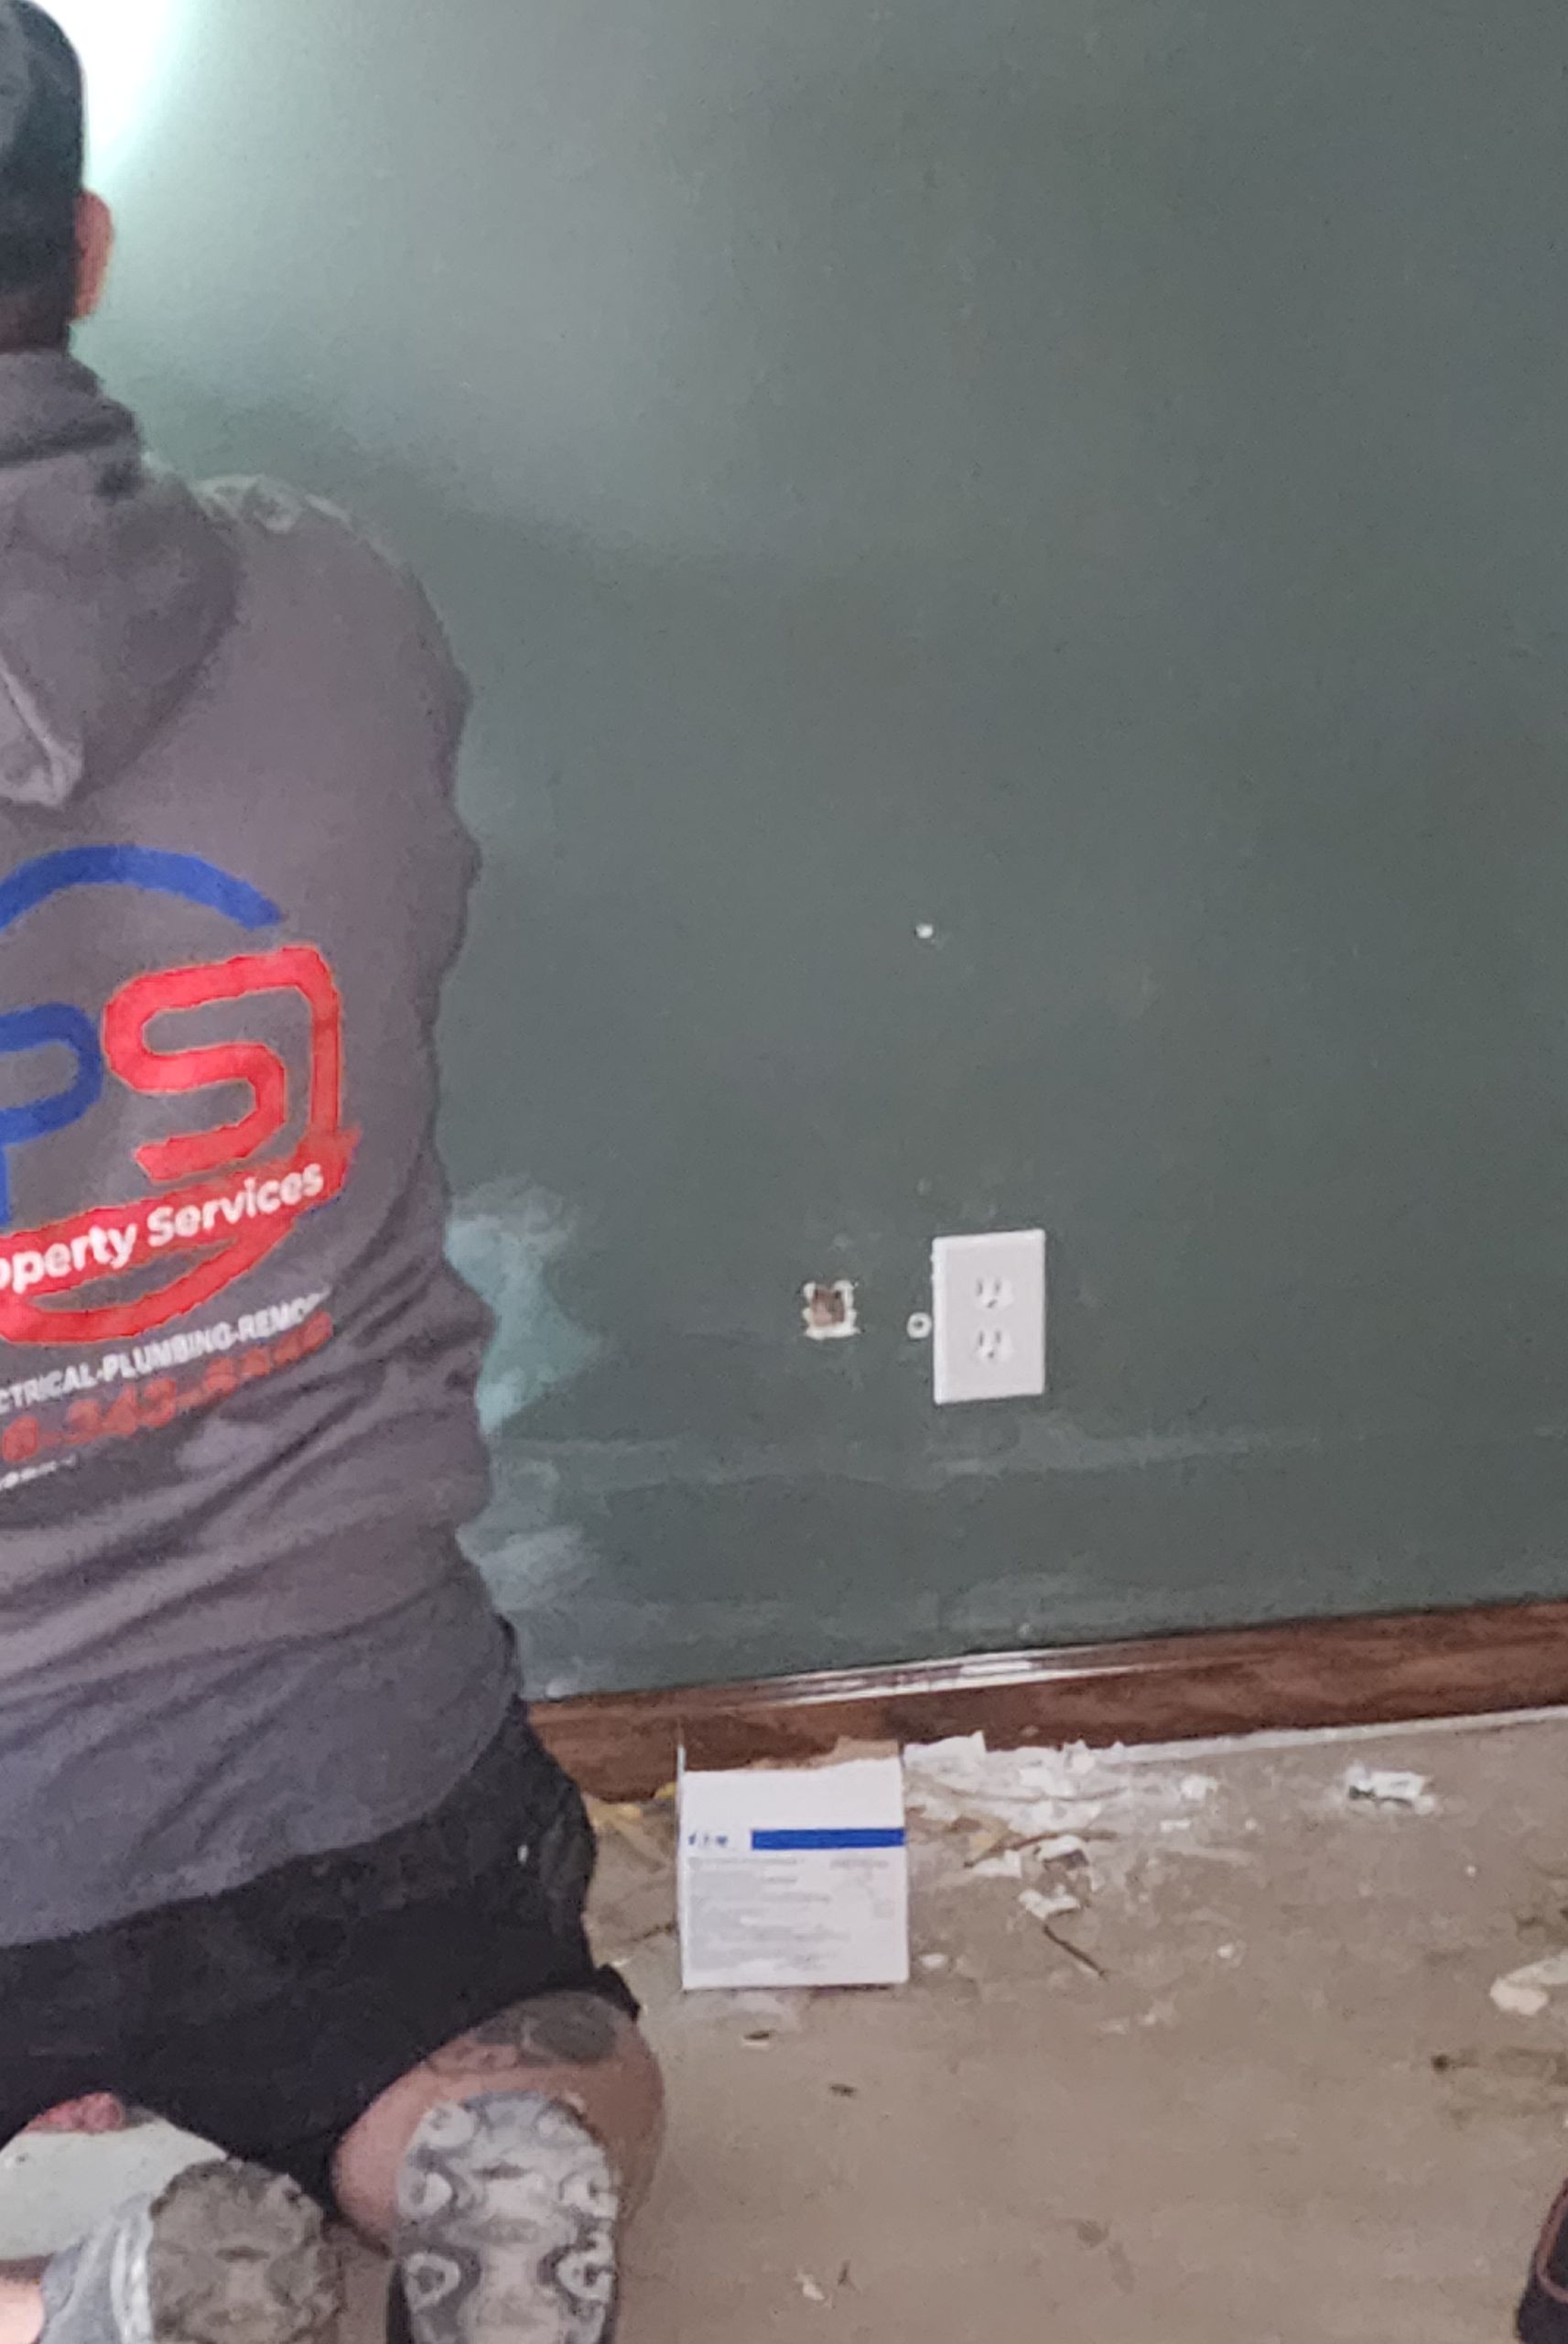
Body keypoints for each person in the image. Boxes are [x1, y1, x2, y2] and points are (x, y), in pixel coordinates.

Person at [0, 7, 662, 2341]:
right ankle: (454, 2138)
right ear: (81, 251)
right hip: (364, 1751)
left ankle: (83, 2254)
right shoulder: (353, 611)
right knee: (533, 2033)